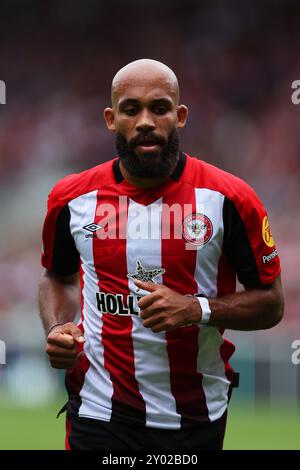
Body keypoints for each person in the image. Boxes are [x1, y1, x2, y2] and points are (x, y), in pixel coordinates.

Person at [38, 59, 284, 450]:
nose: (146, 121)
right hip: (98, 413)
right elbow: (57, 276)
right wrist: (56, 328)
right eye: (131, 109)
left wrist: (196, 309)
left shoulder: (230, 199)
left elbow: (272, 304)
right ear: (111, 118)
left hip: (195, 416)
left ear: (180, 115)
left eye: (160, 108)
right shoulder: (72, 198)